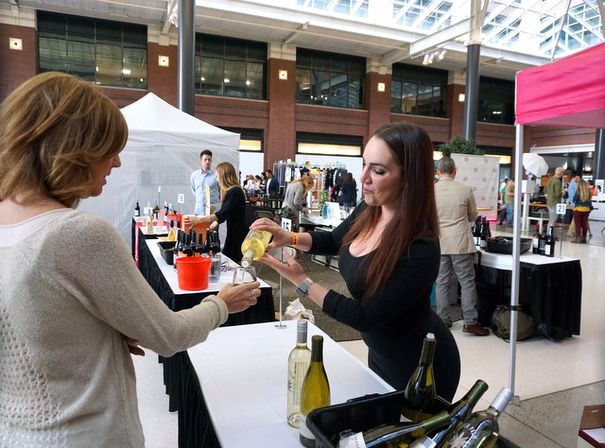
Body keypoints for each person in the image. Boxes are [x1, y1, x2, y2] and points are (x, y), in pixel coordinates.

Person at [0, 72, 261, 446]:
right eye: (109, 150)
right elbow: (169, 335)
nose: (118, 164)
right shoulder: (76, 234)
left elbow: (33, 330)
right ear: (74, 149)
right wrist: (221, 305)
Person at [252, 122, 461, 401]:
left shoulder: (420, 247)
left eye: (378, 170)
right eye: (365, 164)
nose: (363, 177)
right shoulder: (369, 209)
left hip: (421, 368)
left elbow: (364, 316)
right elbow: (334, 240)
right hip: (380, 355)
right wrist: (288, 236)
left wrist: (302, 282)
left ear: (409, 178)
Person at [434, 157, 488, 336]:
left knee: (441, 281)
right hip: (460, 243)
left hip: (440, 242)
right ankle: (471, 322)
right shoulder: (465, 190)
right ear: (455, 171)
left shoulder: (430, 191)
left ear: (438, 171)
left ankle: (442, 319)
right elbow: (473, 216)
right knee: (466, 282)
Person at [184, 162, 248, 262]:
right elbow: (225, 213)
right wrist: (213, 224)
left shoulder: (235, 191)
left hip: (238, 233)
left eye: (217, 177)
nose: (217, 180)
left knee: (234, 260)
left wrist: (199, 220)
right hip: (233, 232)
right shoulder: (232, 191)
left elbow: (223, 213)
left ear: (224, 176)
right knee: (231, 259)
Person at [190, 149, 220, 215]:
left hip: (213, 212)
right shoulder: (194, 175)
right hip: (199, 211)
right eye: (205, 159)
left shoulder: (216, 175)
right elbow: (194, 191)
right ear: (201, 160)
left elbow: (221, 192)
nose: (207, 162)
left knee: (213, 226)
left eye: (209, 160)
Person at [571, 179, 593, 244]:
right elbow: (589, 201)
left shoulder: (578, 192)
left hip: (578, 209)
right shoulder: (588, 192)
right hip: (586, 210)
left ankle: (577, 238)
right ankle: (584, 238)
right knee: (584, 224)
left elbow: (574, 201)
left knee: (578, 224)